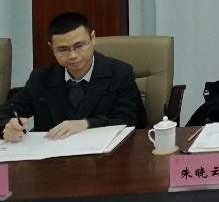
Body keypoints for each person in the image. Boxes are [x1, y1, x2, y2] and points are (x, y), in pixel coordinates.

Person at [0, 12, 141, 142]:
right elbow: (5, 113)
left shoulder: (120, 73)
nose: (73, 55)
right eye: (63, 49)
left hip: (105, 155)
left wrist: (87, 124)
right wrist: (7, 127)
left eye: (79, 46)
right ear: (52, 48)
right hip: (52, 156)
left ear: (92, 38)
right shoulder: (40, 78)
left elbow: (130, 121)